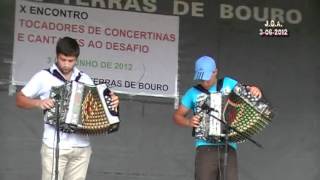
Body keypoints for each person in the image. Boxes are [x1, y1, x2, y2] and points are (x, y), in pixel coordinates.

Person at [16, 36, 119, 180]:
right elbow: (20, 99)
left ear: (76, 59)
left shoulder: (84, 78)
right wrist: (38, 103)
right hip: (54, 145)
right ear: (57, 56)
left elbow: (97, 106)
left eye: (70, 61)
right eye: (62, 59)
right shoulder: (43, 77)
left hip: (82, 146)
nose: (66, 64)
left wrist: (112, 102)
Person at [173, 56, 262, 180]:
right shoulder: (192, 92)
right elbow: (177, 116)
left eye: (207, 78)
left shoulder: (228, 83)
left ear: (215, 72)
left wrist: (254, 89)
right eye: (201, 79)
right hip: (205, 147)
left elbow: (247, 91)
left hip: (228, 145)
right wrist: (188, 121)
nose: (204, 82)